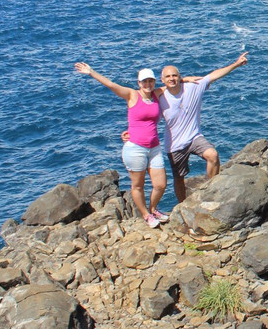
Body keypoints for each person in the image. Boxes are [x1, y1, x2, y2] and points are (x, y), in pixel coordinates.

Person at [74, 62, 170, 228]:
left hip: (154, 147)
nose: (148, 84)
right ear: (139, 83)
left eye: (150, 81)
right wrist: (91, 72)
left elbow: (173, 83)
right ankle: (146, 215)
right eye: (144, 81)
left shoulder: (156, 93)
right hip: (135, 148)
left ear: (154, 82)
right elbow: (111, 84)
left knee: (160, 184)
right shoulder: (132, 95)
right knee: (138, 185)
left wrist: (195, 79)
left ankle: (153, 209)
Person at [158, 52, 248, 202]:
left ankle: (212, 191)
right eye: (168, 77)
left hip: (194, 137)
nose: (171, 79)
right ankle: (182, 204)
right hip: (174, 144)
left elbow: (214, 75)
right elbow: (141, 106)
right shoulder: (160, 97)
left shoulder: (193, 87)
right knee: (179, 178)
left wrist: (236, 64)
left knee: (212, 155)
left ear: (179, 77)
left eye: (175, 75)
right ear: (162, 80)